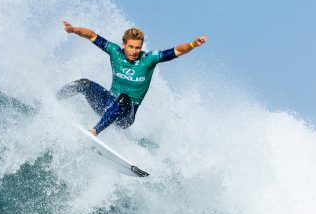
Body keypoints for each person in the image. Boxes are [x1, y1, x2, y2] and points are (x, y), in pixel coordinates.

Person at [57, 21, 208, 136]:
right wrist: (73, 30)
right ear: (124, 45)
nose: (134, 51)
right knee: (84, 83)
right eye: (131, 47)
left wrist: (193, 44)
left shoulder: (149, 59)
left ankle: (94, 132)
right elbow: (91, 35)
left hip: (125, 115)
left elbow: (176, 51)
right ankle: (54, 100)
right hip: (105, 104)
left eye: (138, 47)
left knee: (123, 98)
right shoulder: (115, 52)